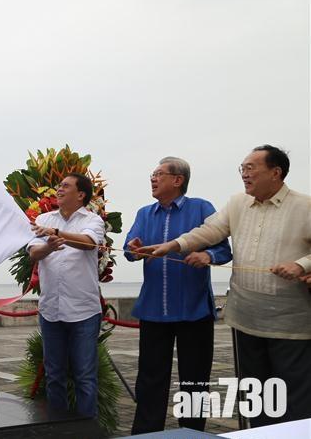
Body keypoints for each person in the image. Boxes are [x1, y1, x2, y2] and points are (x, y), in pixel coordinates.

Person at [141, 145, 311, 428]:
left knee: (295, 395)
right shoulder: (237, 203)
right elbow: (209, 231)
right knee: (255, 394)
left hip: (289, 323)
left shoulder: (304, 206)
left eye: (250, 168)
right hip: (245, 319)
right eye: (242, 169)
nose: (244, 174)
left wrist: (301, 265)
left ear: (276, 172)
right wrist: (174, 245)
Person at [124, 157, 231, 434]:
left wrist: (207, 254)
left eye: (158, 173)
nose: (153, 178)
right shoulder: (144, 213)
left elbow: (224, 250)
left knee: (195, 381)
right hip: (153, 310)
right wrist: (134, 248)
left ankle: (192, 432)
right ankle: (147, 433)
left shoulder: (202, 208)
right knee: (149, 379)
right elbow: (129, 249)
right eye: (152, 174)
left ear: (178, 179)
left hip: (193, 310)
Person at [28, 173, 105, 418]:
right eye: (58, 186)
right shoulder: (42, 218)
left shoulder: (92, 220)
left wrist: (56, 232)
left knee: (84, 376)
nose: (58, 189)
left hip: (83, 310)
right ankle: (57, 428)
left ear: (81, 194)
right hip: (51, 309)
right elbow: (33, 253)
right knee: (54, 375)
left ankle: (85, 431)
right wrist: (48, 246)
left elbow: (88, 243)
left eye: (65, 186)